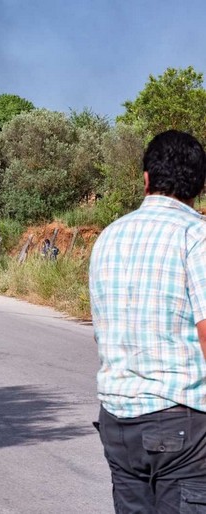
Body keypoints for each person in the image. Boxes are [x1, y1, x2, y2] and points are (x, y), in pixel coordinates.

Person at [89, 130, 206, 513]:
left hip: (118, 422)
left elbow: (104, 331)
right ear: (200, 185)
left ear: (146, 179)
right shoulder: (196, 236)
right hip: (181, 422)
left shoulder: (108, 237)